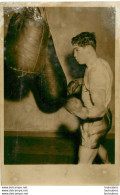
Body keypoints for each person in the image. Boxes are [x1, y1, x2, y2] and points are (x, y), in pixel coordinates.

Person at [65, 32, 113, 164]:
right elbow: (94, 84)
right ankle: (108, 167)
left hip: (94, 122)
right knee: (95, 146)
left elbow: (100, 108)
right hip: (104, 119)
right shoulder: (100, 64)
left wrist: (81, 112)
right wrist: (79, 82)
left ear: (88, 50)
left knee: (83, 164)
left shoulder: (96, 75)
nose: (74, 55)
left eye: (77, 50)